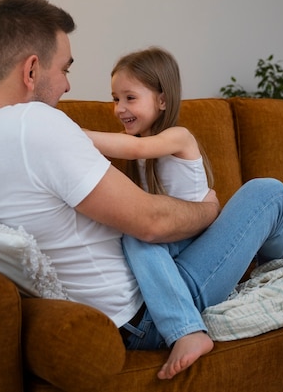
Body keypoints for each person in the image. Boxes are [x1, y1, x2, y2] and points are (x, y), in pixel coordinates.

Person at [0, 0, 283, 381]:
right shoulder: (36, 124)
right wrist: (211, 210)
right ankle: (278, 262)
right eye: (64, 69)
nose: (67, 86)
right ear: (31, 70)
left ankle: (274, 258)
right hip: (145, 311)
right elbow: (151, 223)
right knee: (268, 193)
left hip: (135, 296)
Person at [83, 47, 216, 354]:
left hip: (196, 237)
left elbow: (135, 149)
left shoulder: (178, 137)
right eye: (116, 98)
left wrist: (75, 133)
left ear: (163, 100)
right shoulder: (140, 145)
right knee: (128, 233)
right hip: (172, 240)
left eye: (130, 98)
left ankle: (185, 330)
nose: (119, 108)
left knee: (137, 239)